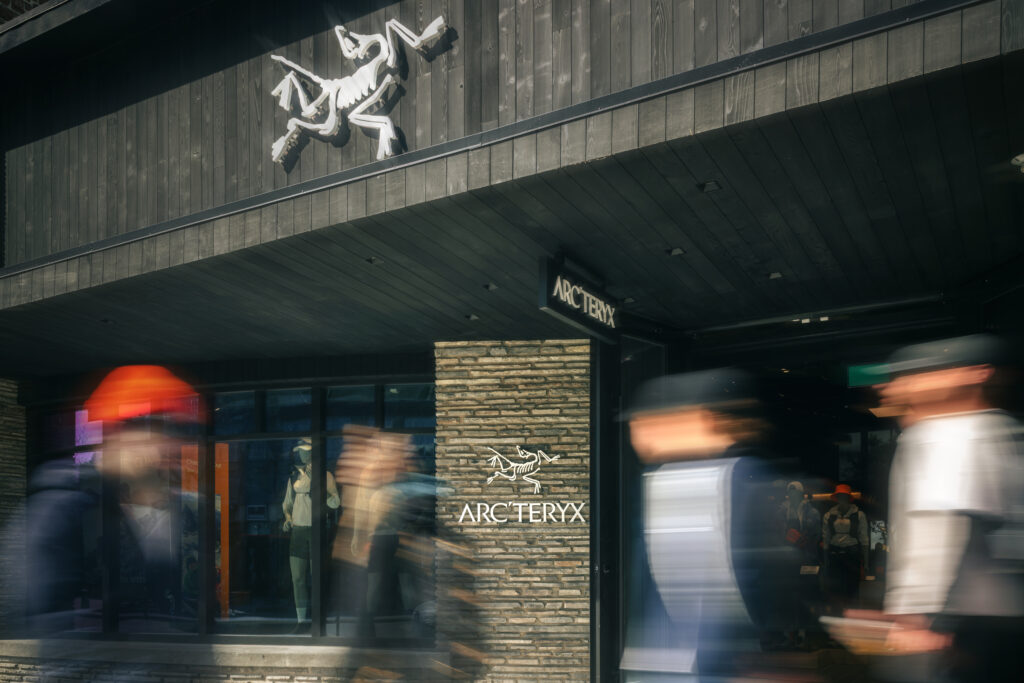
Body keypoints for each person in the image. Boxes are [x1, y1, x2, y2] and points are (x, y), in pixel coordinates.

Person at [826, 335, 1024, 682]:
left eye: (920, 374)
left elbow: (949, 529)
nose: (899, 384)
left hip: (952, 618)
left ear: (974, 374)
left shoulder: (946, 433)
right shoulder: (1000, 428)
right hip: (991, 613)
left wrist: (920, 620)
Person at [620, 368, 785, 680]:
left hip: (712, 662)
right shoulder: (658, 481)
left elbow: (755, 572)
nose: (637, 433)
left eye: (648, 422)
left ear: (697, 420)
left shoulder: (738, 477)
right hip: (671, 662)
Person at [282, 437, 340, 625]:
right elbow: (287, 504)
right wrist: (288, 519)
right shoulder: (294, 476)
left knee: (317, 577)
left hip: (316, 530)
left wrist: (322, 509)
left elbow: (336, 500)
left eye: (306, 450)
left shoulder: (325, 475)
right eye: (300, 450)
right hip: (298, 531)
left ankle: (318, 618)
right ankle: (301, 621)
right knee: (297, 578)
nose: (303, 453)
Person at [822, 484, 868, 609]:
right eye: (839, 496)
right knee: (836, 588)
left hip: (852, 555)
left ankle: (852, 616)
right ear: (836, 498)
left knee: (852, 589)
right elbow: (826, 539)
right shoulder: (829, 515)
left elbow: (864, 539)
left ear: (848, 498)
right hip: (835, 555)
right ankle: (838, 615)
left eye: (844, 496)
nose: (842, 499)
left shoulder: (859, 515)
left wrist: (865, 562)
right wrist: (826, 560)